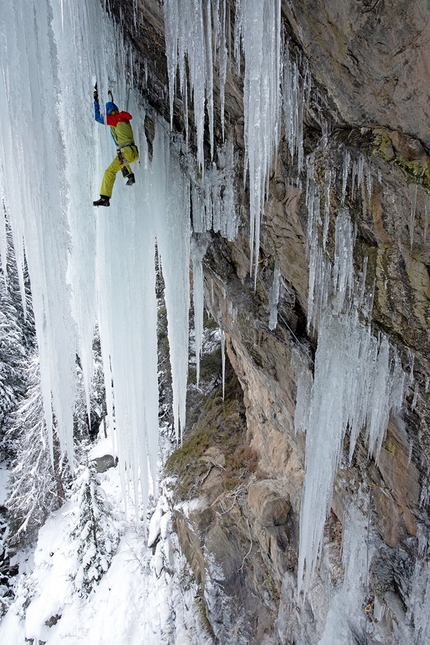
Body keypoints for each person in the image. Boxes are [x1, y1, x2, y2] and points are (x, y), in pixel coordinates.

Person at [93, 86, 139, 207]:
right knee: (120, 159)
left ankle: (104, 198)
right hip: (132, 152)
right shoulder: (123, 119)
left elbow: (98, 117)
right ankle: (129, 175)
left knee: (109, 172)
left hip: (127, 153)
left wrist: (95, 101)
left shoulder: (115, 119)